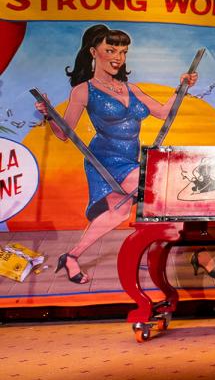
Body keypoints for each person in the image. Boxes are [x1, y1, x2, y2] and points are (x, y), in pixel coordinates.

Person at [36, 24, 198, 285]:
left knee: (119, 213)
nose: (118, 57)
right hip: (104, 160)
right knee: (157, 190)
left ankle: (71, 256)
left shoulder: (130, 89)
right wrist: (49, 114)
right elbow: (65, 133)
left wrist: (182, 87)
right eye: (110, 50)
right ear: (93, 52)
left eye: (123, 52)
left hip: (129, 159)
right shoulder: (83, 91)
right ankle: (185, 252)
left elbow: (162, 112)